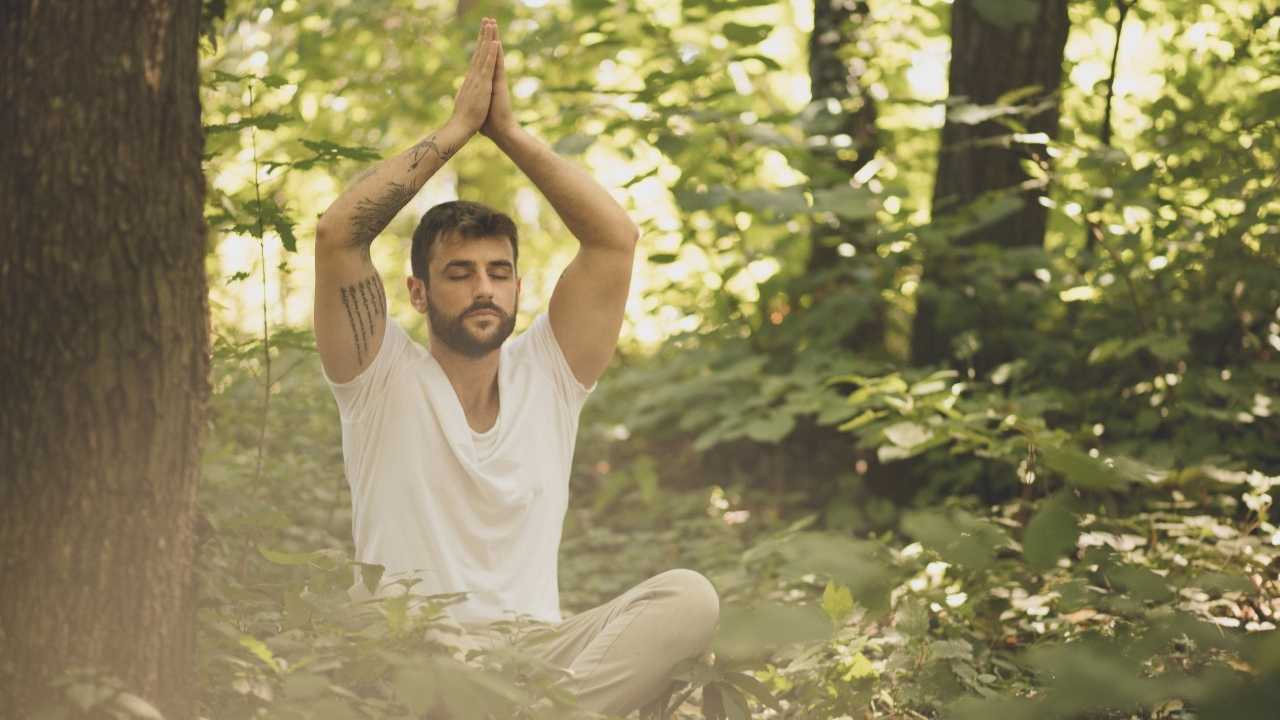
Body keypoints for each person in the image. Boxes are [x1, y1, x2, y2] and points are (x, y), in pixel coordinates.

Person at [312, 17, 719, 718]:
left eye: (500, 273)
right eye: (461, 273)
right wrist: (456, 128)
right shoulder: (378, 378)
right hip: (418, 653)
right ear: (417, 292)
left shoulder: (550, 377)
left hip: (533, 659)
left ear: (518, 289)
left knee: (689, 596)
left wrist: (512, 134)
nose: (483, 289)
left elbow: (615, 239)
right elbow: (337, 233)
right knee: (439, 654)